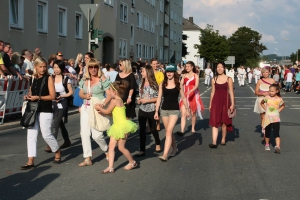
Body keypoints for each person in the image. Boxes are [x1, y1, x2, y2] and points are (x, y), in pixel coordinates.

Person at [20, 58, 62, 170]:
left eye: (44, 66)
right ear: (36, 67)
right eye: (40, 66)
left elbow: (52, 96)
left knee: (46, 134)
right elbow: (31, 92)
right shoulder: (32, 78)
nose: (43, 69)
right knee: (31, 135)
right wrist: (28, 96)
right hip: (33, 109)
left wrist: (37, 97)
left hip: (45, 109)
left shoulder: (48, 78)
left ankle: (57, 150)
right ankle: (30, 161)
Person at [95, 81, 138, 173]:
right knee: (111, 146)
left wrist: (99, 108)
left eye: (110, 90)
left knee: (121, 148)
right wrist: (103, 112)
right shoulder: (119, 100)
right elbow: (113, 114)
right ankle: (110, 167)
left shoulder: (115, 101)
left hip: (122, 127)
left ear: (114, 92)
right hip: (117, 126)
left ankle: (132, 162)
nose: (109, 92)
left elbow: (107, 112)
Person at [78, 58, 112, 167]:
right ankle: (87, 158)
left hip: (97, 108)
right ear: (88, 68)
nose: (93, 69)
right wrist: (84, 96)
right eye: (91, 67)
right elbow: (80, 93)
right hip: (85, 108)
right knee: (84, 133)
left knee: (97, 135)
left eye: (95, 67)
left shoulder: (103, 80)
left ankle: (106, 150)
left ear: (99, 67)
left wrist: (103, 104)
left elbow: (110, 94)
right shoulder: (84, 80)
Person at [154, 64, 189, 161]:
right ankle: (174, 148)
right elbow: (159, 98)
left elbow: (183, 97)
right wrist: (156, 111)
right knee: (169, 132)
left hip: (174, 110)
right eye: (168, 72)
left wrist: (187, 109)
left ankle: (165, 154)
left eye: (171, 71)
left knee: (168, 132)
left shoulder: (178, 84)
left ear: (174, 73)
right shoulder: (162, 83)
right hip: (164, 110)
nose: (169, 73)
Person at [46, 60, 73, 150]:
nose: (56, 69)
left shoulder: (66, 79)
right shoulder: (50, 78)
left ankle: (51, 145)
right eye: (54, 67)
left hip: (62, 103)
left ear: (62, 68)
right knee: (60, 123)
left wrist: (62, 96)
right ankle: (67, 140)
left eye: (58, 67)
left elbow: (70, 92)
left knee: (55, 123)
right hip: (52, 103)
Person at [135, 65, 161, 157]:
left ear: (148, 72)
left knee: (153, 129)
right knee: (142, 130)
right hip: (142, 109)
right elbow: (141, 95)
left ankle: (157, 143)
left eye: (143, 71)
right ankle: (142, 149)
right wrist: (139, 99)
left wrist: (147, 101)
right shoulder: (141, 82)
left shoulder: (154, 84)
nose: (141, 73)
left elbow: (158, 98)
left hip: (152, 109)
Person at [209, 62, 235, 148]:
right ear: (216, 68)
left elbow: (231, 92)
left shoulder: (229, 79)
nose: (219, 69)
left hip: (225, 102)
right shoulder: (214, 79)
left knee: (224, 121)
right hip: (216, 101)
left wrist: (232, 104)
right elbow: (212, 92)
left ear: (224, 68)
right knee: (214, 122)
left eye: (221, 67)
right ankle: (214, 142)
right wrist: (210, 104)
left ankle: (223, 139)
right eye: (218, 67)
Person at [177, 61, 204, 136]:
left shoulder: (196, 75)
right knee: (183, 113)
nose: (187, 68)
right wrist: (180, 77)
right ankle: (182, 130)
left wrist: (191, 91)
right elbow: (181, 83)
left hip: (193, 95)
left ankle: (193, 128)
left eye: (188, 66)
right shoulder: (184, 75)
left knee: (193, 113)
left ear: (192, 67)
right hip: (185, 95)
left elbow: (196, 86)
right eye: (186, 66)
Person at [260, 84, 285, 153]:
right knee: (267, 132)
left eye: (272, 91)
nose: (270, 92)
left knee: (276, 133)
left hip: (276, 118)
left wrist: (279, 110)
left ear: (277, 91)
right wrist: (266, 109)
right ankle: (267, 144)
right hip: (267, 118)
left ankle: (277, 146)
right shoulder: (267, 98)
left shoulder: (279, 99)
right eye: (270, 91)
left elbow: (283, 105)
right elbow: (261, 103)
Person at [254, 67, 276, 141]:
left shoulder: (272, 81)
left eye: (267, 72)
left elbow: (277, 90)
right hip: (261, 100)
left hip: (270, 101)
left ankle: (267, 132)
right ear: (262, 73)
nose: (265, 74)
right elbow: (256, 92)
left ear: (269, 73)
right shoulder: (260, 81)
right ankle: (265, 134)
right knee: (263, 117)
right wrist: (263, 94)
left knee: (269, 118)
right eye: (264, 72)